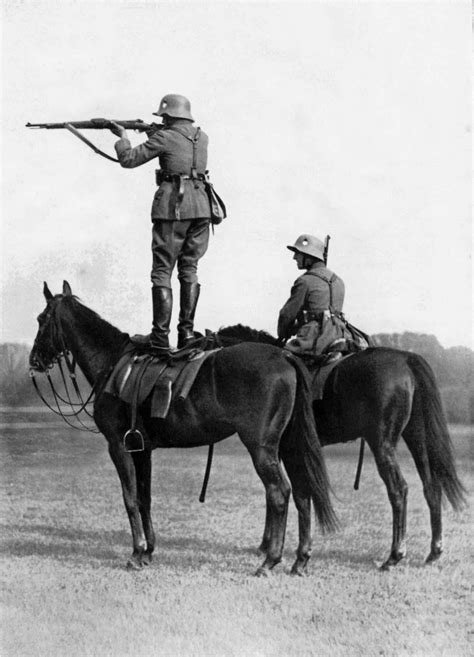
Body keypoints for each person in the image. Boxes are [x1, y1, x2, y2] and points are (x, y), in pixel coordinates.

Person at [109, 94, 212, 353]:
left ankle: (160, 338)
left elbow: (128, 159)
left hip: (173, 209)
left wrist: (122, 137)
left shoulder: (164, 137)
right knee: (189, 269)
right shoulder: (202, 137)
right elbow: (176, 151)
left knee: (162, 271)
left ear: (169, 117)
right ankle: (186, 333)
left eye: (164, 117)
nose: (162, 120)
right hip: (202, 207)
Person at [277, 234, 349, 357]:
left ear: (309, 257)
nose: (294, 257)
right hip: (341, 334)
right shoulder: (339, 281)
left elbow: (287, 315)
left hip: (314, 339)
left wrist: (283, 334)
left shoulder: (304, 281)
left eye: (298, 253)